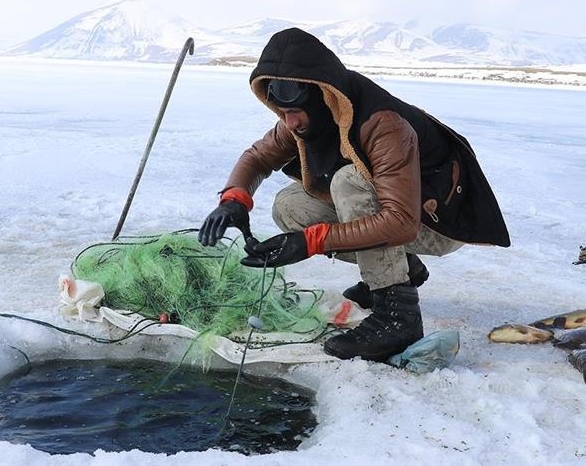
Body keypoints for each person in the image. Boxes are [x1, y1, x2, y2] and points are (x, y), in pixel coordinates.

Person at [198, 28, 510, 362]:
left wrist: (309, 242)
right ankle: (402, 270)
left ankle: (397, 316)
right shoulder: (308, 116)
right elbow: (257, 157)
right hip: (399, 212)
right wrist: (234, 199)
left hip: (437, 222)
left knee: (350, 182)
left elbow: (400, 223)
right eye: (281, 114)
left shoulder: (383, 124)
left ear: (321, 95)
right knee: (290, 205)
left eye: (293, 113)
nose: (288, 123)